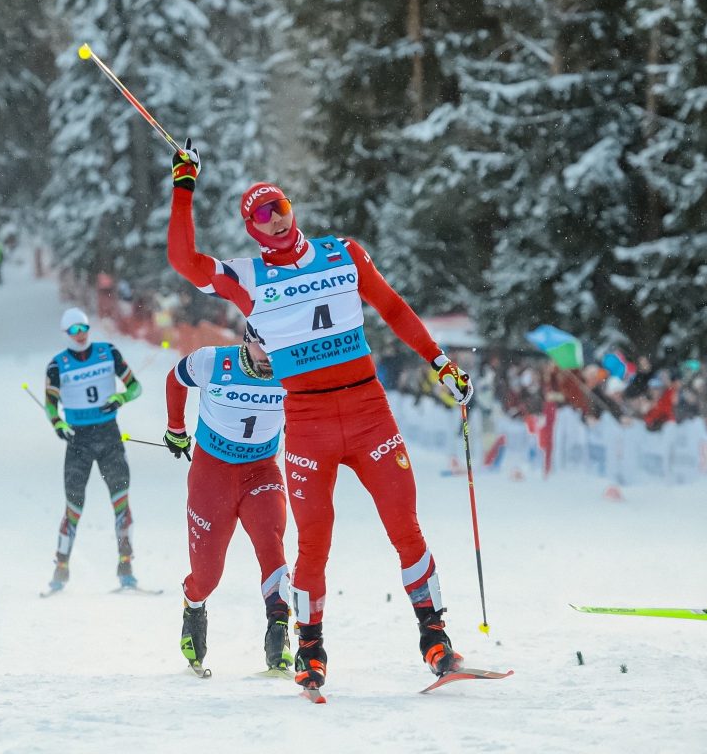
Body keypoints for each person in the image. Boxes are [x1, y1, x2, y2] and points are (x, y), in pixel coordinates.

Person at [166, 140, 473, 691]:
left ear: (292, 210)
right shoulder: (249, 278)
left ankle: (436, 638)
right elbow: (185, 262)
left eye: (279, 208)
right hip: (307, 421)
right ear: (252, 232)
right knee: (313, 542)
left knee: (404, 525)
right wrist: (183, 186)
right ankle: (311, 650)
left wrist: (441, 363)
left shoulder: (345, 253)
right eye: (261, 217)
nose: (275, 222)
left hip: (368, 411)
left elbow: (395, 309)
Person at [164, 323, 291, 675]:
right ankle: (194, 605)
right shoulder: (211, 361)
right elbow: (175, 378)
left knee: (271, 543)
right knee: (207, 576)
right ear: (247, 340)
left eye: (278, 348)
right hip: (211, 476)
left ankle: (279, 632)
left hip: (261, 473)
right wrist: (176, 429)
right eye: (264, 348)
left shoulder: (292, 369)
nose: (271, 358)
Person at [42, 308, 143, 591]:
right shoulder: (57, 365)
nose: (80, 334)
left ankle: (126, 568)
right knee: (74, 505)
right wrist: (57, 423)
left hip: (109, 434)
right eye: (74, 330)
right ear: (66, 334)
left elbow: (136, 387)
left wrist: (120, 398)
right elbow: (50, 403)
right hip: (79, 440)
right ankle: (61, 569)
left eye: (84, 328)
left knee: (120, 500)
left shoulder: (108, 352)